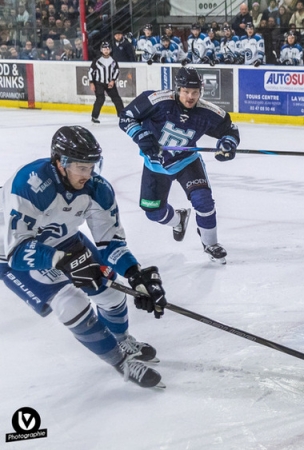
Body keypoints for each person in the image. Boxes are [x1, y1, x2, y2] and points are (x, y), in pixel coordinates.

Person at [1, 126, 167, 388]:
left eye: (91, 166)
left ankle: (121, 338)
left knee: (112, 292)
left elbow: (110, 242)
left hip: (63, 239)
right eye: (81, 167)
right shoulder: (30, 184)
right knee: (70, 303)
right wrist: (63, 261)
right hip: (14, 251)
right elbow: (17, 252)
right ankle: (121, 361)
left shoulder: (97, 188)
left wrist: (135, 274)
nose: (87, 174)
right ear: (60, 162)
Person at [118, 67, 239, 264]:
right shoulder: (157, 101)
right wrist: (140, 135)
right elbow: (126, 117)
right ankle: (178, 219)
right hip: (155, 165)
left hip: (186, 162)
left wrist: (228, 144)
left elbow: (230, 131)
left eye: (195, 92)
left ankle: (211, 244)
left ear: (200, 91)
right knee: (153, 212)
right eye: (186, 91)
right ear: (177, 89)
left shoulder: (208, 113)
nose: (190, 97)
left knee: (204, 202)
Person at [88, 42, 125, 124]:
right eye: (104, 49)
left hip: (110, 83)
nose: (106, 51)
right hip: (99, 83)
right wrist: (92, 83)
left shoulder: (113, 60)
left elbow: (116, 71)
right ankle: (94, 117)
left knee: (116, 99)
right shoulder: (97, 60)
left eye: (107, 49)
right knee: (100, 99)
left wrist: (113, 80)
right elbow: (91, 72)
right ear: (101, 50)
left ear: (110, 50)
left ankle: (122, 115)